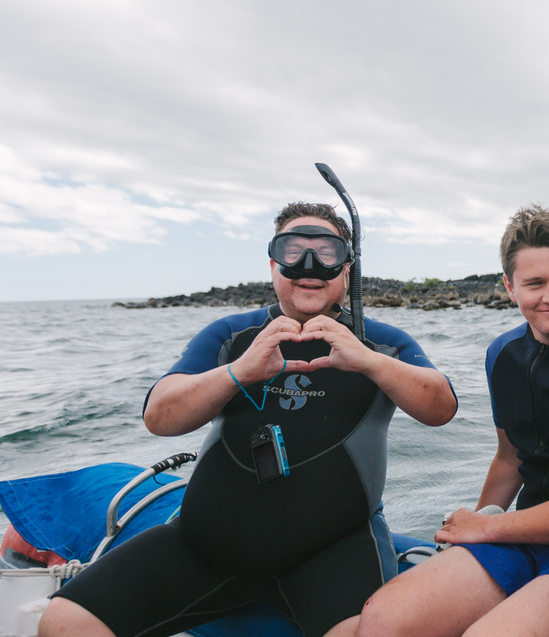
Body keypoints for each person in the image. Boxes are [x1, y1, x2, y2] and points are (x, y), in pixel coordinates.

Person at [39, 202, 458, 637]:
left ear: (347, 270)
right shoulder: (232, 335)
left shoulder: (383, 344)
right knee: (64, 621)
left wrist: (370, 362)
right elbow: (159, 417)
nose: (309, 265)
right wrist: (239, 372)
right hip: (205, 543)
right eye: (293, 250)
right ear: (274, 264)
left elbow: (440, 408)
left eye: (327, 252)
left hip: (334, 548)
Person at [359, 205, 549, 637]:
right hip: (522, 535)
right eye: (535, 283)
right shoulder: (502, 353)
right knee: (382, 620)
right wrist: (470, 529)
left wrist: (487, 526)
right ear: (510, 287)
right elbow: (510, 459)